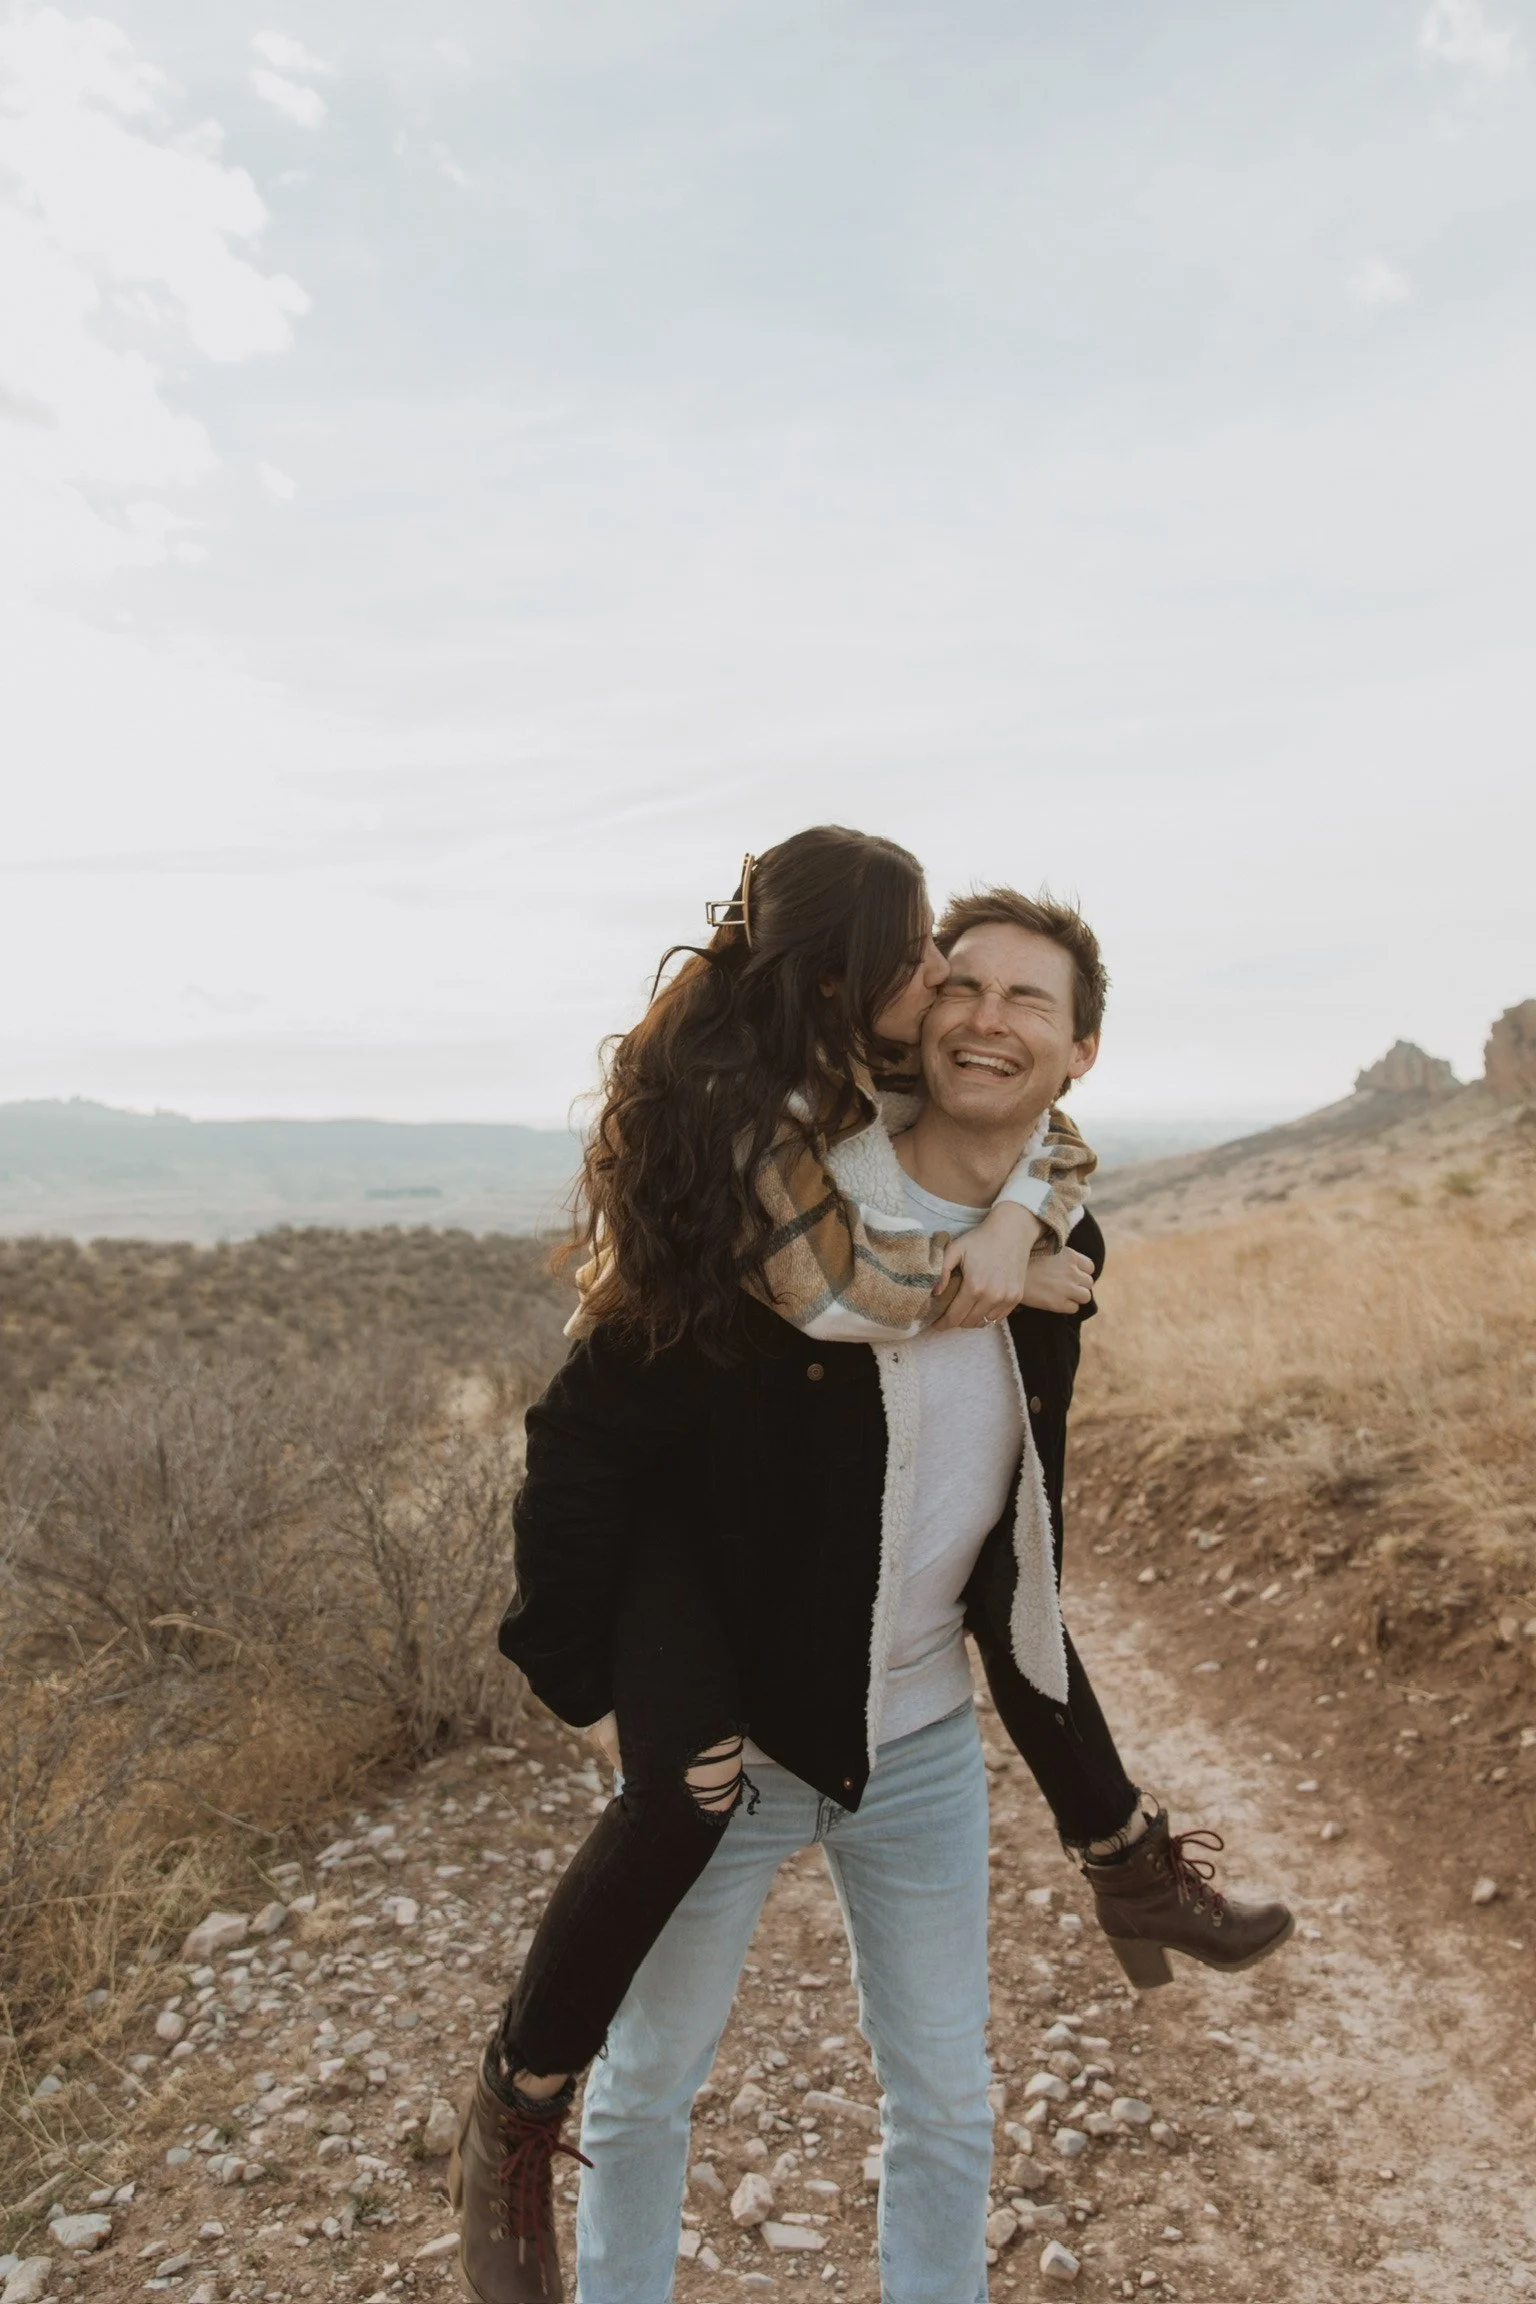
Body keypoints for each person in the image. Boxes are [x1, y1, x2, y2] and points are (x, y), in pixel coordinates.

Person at [455, 860, 1292, 2303]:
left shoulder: (1059, 1239)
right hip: (740, 1742)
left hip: (915, 1748)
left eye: (1028, 998)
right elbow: (585, 1435)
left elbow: (1020, 1540)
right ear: (903, 1014)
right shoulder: (778, 1211)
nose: (983, 1014)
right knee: (649, 2094)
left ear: (1079, 1050)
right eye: (956, 981)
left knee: (949, 2104)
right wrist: (582, 1680)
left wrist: (1098, 1802)